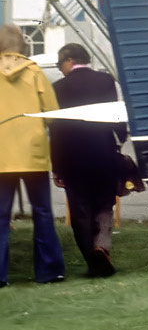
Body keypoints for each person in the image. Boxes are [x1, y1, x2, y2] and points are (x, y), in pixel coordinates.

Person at [49, 43, 124, 278]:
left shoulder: (58, 87)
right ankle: (102, 244)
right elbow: (115, 115)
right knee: (104, 203)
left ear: (69, 61)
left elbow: (56, 130)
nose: (60, 69)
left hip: (71, 159)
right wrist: (121, 138)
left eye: (59, 64)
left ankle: (93, 263)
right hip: (102, 152)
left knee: (80, 210)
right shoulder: (105, 81)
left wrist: (57, 167)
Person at [0, 24, 65, 286]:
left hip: (2, 153)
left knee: (1, 216)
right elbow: (51, 112)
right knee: (43, 212)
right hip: (33, 152)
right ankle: (49, 271)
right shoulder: (35, 72)